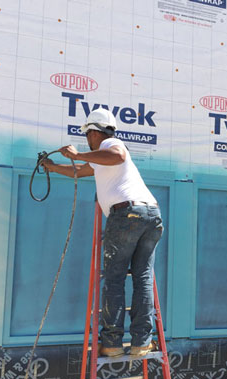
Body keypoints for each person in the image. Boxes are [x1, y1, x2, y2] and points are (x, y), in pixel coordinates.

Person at [42, 108, 163, 358]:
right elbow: (78, 171)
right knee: (142, 277)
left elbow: (117, 155)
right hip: (151, 215)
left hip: (127, 215)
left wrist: (79, 153)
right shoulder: (100, 160)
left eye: (88, 134)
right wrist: (52, 167)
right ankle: (141, 342)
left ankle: (112, 343)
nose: (87, 139)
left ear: (95, 132)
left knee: (116, 276)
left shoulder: (112, 144)